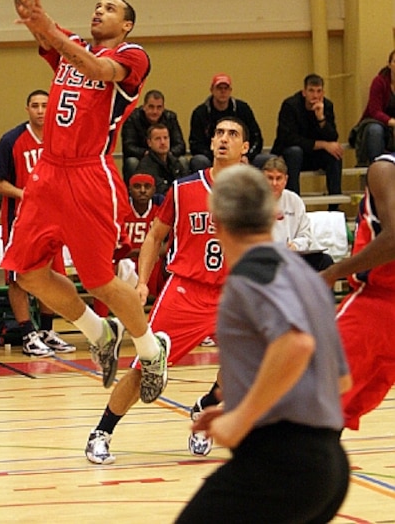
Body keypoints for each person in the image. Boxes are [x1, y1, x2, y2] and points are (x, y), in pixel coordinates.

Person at [1, 0, 169, 405]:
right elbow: (27, 8)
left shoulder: (131, 56)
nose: (100, 10)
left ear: (127, 25)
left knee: (98, 278)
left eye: (111, 8)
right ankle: (99, 334)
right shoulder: (71, 49)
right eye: (97, 5)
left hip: (89, 176)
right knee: (26, 272)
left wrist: (51, 30)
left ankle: (150, 348)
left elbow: (99, 71)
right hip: (48, 173)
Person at [175, 164, 350, 524]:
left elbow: (295, 345)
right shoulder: (306, 275)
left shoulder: (251, 275)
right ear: (274, 215)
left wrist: (241, 417)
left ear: (217, 222)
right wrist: (241, 409)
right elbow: (339, 379)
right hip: (329, 466)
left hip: (280, 465)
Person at [86, 117, 249, 465]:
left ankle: (204, 410)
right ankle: (101, 433)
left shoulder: (253, 192)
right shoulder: (183, 188)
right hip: (186, 292)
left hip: (233, 294)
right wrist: (143, 282)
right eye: (219, 132)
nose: (224, 139)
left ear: (245, 148)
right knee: (147, 366)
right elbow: (154, 236)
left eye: (232, 134)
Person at [0, 89, 76, 357]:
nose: (39, 110)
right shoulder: (12, 139)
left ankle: (47, 330)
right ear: (27, 109)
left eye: (44, 106)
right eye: (34, 105)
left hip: (53, 218)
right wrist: (23, 194)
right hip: (20, 219)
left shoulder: (60, 139)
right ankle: (27, 333)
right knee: (19, 277)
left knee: (52, 275)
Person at [321, 152, 395, 431]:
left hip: (377, 305)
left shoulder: (384, 168)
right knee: (337, 412)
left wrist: (332, 272)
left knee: (312, 403)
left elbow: (393, 238)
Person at [92, 172, 166, 318]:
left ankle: (165, 314)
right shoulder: (120, 209)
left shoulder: (161, 208)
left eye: (147, 186)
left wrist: (149, 253)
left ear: (154, 190)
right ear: (129, 190)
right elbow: (111, 246)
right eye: (137, 187)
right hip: (125, 261)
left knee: (170, 264)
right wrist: (141, 252)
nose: (143, 190)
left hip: (152, 262)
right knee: (106, 267)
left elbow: (171, 242)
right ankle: (102, 319)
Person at [271, 73, 343, 201]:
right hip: (290, 156)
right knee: (295, 152)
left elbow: (333, 137)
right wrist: (323, 144)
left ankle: (335, 203)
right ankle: (294, 201)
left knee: (335, 152)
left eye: (319, 91)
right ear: (304, 92)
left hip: (313, 155)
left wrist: (321, 118)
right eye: (311, 91)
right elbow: (288, 138)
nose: (315, 95)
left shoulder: (327, 106)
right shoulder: (290, 105)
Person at [263, 155, 333, 272]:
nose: (274, 183)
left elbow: (305, 235)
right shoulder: (254, 200)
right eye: (270, 178)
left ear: (286, 179)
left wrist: (295, 246)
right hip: (266, 257)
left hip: (292, 255)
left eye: (278, 178)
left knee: (325, 261)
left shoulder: (294, 200)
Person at [188, 73, 265, 171]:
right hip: (212, 157)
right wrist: (219, 157)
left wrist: (246, 156)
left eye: (226, 88)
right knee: (199, 160)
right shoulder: (200, 113)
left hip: (243, 155)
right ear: (212, 90)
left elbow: (257, 138)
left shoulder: (243, 109)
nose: (223, 91)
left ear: (230, 91)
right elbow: (196, 144)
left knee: (267, 160)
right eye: (219, 88)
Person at [121, 89, 188, 182]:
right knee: (132, 162)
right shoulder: (132, 118)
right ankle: (133, 195)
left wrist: (166, 154)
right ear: (144, 106)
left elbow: (180, 145)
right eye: (151, 107)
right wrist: (149, 154)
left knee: (182, 161)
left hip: (167, 157)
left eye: (159, 107)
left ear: (163, 108)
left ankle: (182, 191)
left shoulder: (170, 117)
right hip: (142, 157)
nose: (155, 111)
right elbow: (128, 147)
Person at [349, 49, 395, 165]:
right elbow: (375, 111)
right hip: (375, 124)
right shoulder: (379, 82)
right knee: (375, 130)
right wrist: (392, 122)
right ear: (389, 64)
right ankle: (375, 170)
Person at [135, 123, 186, 196]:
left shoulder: (174, 161)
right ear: (149, 143)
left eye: (165, 138)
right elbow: (162, 192)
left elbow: (187, 184)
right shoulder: (145, 167)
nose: (163, 142)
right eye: (158, 139)